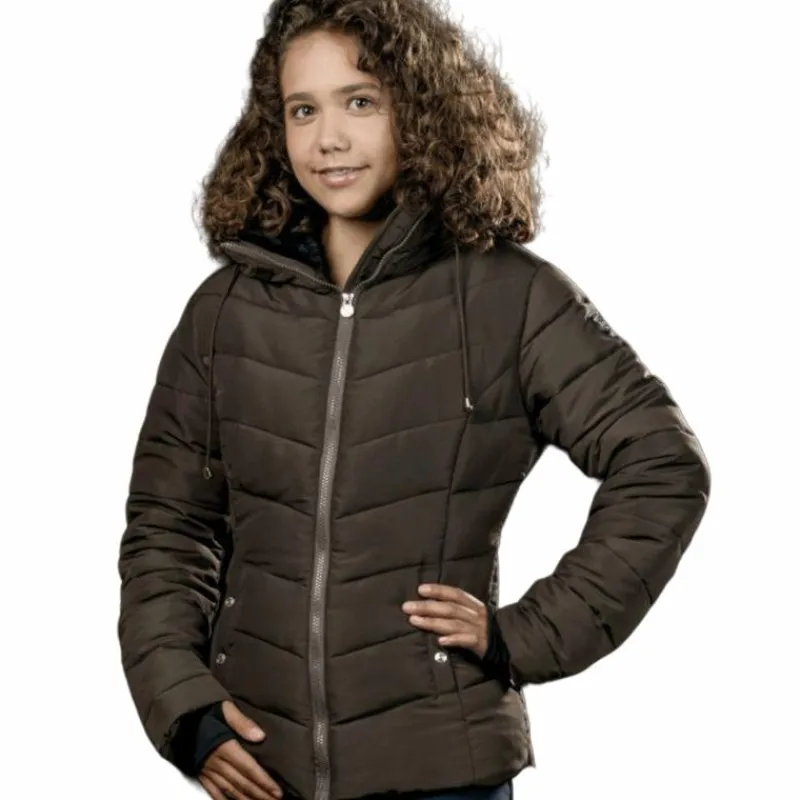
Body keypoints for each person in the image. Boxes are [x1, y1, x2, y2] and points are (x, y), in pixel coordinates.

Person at [117, 0, 711, 798]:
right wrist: (185, 710)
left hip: (442, 772)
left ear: (423, 111)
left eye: (360, 101)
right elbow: (168, 526)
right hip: (262, 768)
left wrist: (525, 636)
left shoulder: (508, 298)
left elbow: (663, 464)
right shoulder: (225, 312)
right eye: (302, 110)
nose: (328, 138)